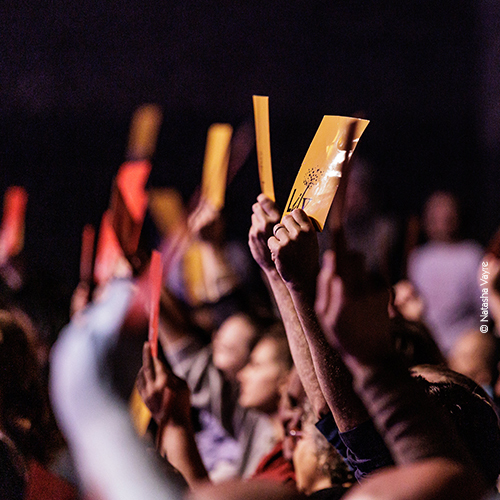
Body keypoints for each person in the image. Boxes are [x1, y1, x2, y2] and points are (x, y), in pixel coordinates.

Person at [407, 191, 483, 355]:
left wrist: (482, 341)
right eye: (436, 215)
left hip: (462, 348)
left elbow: (484, 306)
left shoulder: (472, 255)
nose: (442, 220)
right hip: (427, 347)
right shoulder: (419, 257)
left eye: (447, 214)